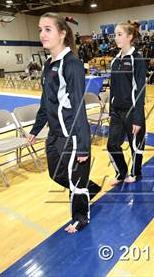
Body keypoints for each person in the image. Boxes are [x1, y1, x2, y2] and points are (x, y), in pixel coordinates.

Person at [28, 13, 101, 234]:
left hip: (72, 134)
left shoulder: (72, 64)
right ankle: (88, 188)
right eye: (40, 29)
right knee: (56, 174)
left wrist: (83, 146)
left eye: (48, 29)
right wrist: (35, 129)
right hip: (55, 133)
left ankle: (81, 218)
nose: (42, 34)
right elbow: (45, 102)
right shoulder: (48, 64)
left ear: (62, 33)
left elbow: (79, 106)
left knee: (74, 181)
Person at [107, 23, 146, 185]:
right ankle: (121, 172)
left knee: (135, 146)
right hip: (117, 111)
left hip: (132, 111)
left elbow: (140, 90)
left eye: (120, 34)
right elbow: (113, 88)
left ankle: (136, 173)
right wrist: (111, 109)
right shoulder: (115, 60)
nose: (116, 38)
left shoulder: (137, 59)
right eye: (115, 34)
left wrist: (137, 118)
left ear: (130, 37)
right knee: (112, 145)